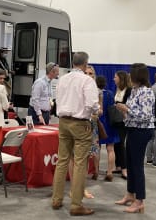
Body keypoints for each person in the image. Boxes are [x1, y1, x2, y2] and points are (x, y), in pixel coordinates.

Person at [51, 52, 99, 216]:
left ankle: (56, 199)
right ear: (85, 64)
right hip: (80, 123)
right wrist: (97, 110)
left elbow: (56, 99)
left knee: (62, 160)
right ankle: (76, 204)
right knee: (80, 163)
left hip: (63, 121)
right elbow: (92, 104)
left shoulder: (62, 79)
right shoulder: (87, 80)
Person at [114, 63, 155, 213]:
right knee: (130, 164)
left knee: (137, 166)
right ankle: (130, 194)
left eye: (132, 74)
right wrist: (124, 111)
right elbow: (132, 114)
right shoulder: (135, 91)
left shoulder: (146, 92)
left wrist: (126, 109)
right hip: (132, 129)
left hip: (142, 131)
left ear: (138, 75)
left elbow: (144, 116)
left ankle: (140, 201)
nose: (129, 76)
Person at [96, 75, 120, 181]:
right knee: (110, 149)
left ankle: (96, 171)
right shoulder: (110, 93)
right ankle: (110, 172)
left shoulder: (94, 94)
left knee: (97, 149)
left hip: (99, 123)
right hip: (110, 123)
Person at [113, 70, 132, 180]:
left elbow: (128, 106)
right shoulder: (118, 89)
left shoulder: (128, 90)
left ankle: (125, 169)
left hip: (123, 121)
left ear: (121, 78)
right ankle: (118, 166)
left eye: (115, 77)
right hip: (116, 120)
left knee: (121, 144)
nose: (114, 79)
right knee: (116, 143)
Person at [145, 73, 156, 166]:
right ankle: (155, 161)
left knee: (151, 138)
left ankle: (149, 158)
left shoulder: (151, 88)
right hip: (154, 115)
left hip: (151, 116)